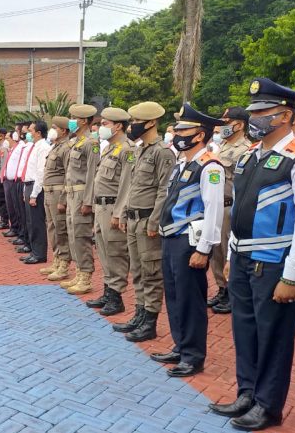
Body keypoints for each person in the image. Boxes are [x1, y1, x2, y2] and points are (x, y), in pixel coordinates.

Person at [208, 78, 295, 433]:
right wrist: (231, 253)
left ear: (284, 116)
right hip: (244, 258)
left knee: (273, 336)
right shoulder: (249, 157)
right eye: (253, 112)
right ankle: (247, 392)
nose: (254, 118)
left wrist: (292, 275)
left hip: (276, 260)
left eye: (263, 112)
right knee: (244, 329)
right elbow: (242, 212)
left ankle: (268, 404)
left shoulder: (294, 159)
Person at [150, 103, 225, 378]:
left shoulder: (209, 167)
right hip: (172, 238)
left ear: (200, 135)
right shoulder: (183, 164)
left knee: (191, 300)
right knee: (174, 296)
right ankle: (181, 346)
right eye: (178, 129)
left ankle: (193, 355)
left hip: (190, 242)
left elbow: (214, 209)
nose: (178, 134)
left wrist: (204, 249)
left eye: (184, 129)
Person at [115, 102, 173, 342]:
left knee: (151, 272)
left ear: (151, 123)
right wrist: (126, 213)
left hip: (148, 219)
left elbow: (164, 190)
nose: (132, 126)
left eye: (136, 121)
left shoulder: (162, 152)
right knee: (137, 270)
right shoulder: (141, 150)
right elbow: (133, 186)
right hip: (134, 218)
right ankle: (139, 314)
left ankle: (150, 321)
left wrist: (154, 222)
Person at [85, 107, 133, 316]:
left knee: (116, 252)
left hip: (113, 207)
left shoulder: (127, 150)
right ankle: (108, 290)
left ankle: (116, 297)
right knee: (103, 251)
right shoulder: (108, 148)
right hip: (101, 207)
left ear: (118, 126)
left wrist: (119, 213)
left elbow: (127, 185)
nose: (100, 128)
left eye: (104, 124)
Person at [207, 106, 251, 314]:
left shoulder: (245, 149)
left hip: (229, 206)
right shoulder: (222, 146)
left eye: (227, 121)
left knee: (227, 252)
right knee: (216, 250)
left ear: (239, 125)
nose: (222, 125)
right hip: (215, 206)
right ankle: (222, 288)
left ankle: (233, 292)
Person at [61, 104, 99, 295]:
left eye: (74, 117)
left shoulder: (91, 143)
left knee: (82, 236)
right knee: (72, 234)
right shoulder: (76, 142)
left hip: (82, 194)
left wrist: (88, 201)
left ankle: (86, 276)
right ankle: (78, 272)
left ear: (84, 121)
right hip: (71, 193)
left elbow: (92, 174)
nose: (71, 120)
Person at [41, 118, 73, 281]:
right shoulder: (55, 147)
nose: (51, 130)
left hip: (58, 192)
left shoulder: (66, 148)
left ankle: (64, 264)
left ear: (64, 130)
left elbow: (69, 174)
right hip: (49, 192)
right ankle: (57, 258)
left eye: (55, 128)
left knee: (61, 229)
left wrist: (63, 198)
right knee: (52, 228)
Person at [21, 121, 51, 264]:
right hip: (29, 186)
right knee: (30, 221)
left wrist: (34, 194)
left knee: (37, 222)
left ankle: (39, 254)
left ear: (38, 133)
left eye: (31, 130)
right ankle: (34, 251)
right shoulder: (35, 146)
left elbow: (40, 172)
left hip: (36, 188)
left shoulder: (43, 147)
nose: (29, 133)